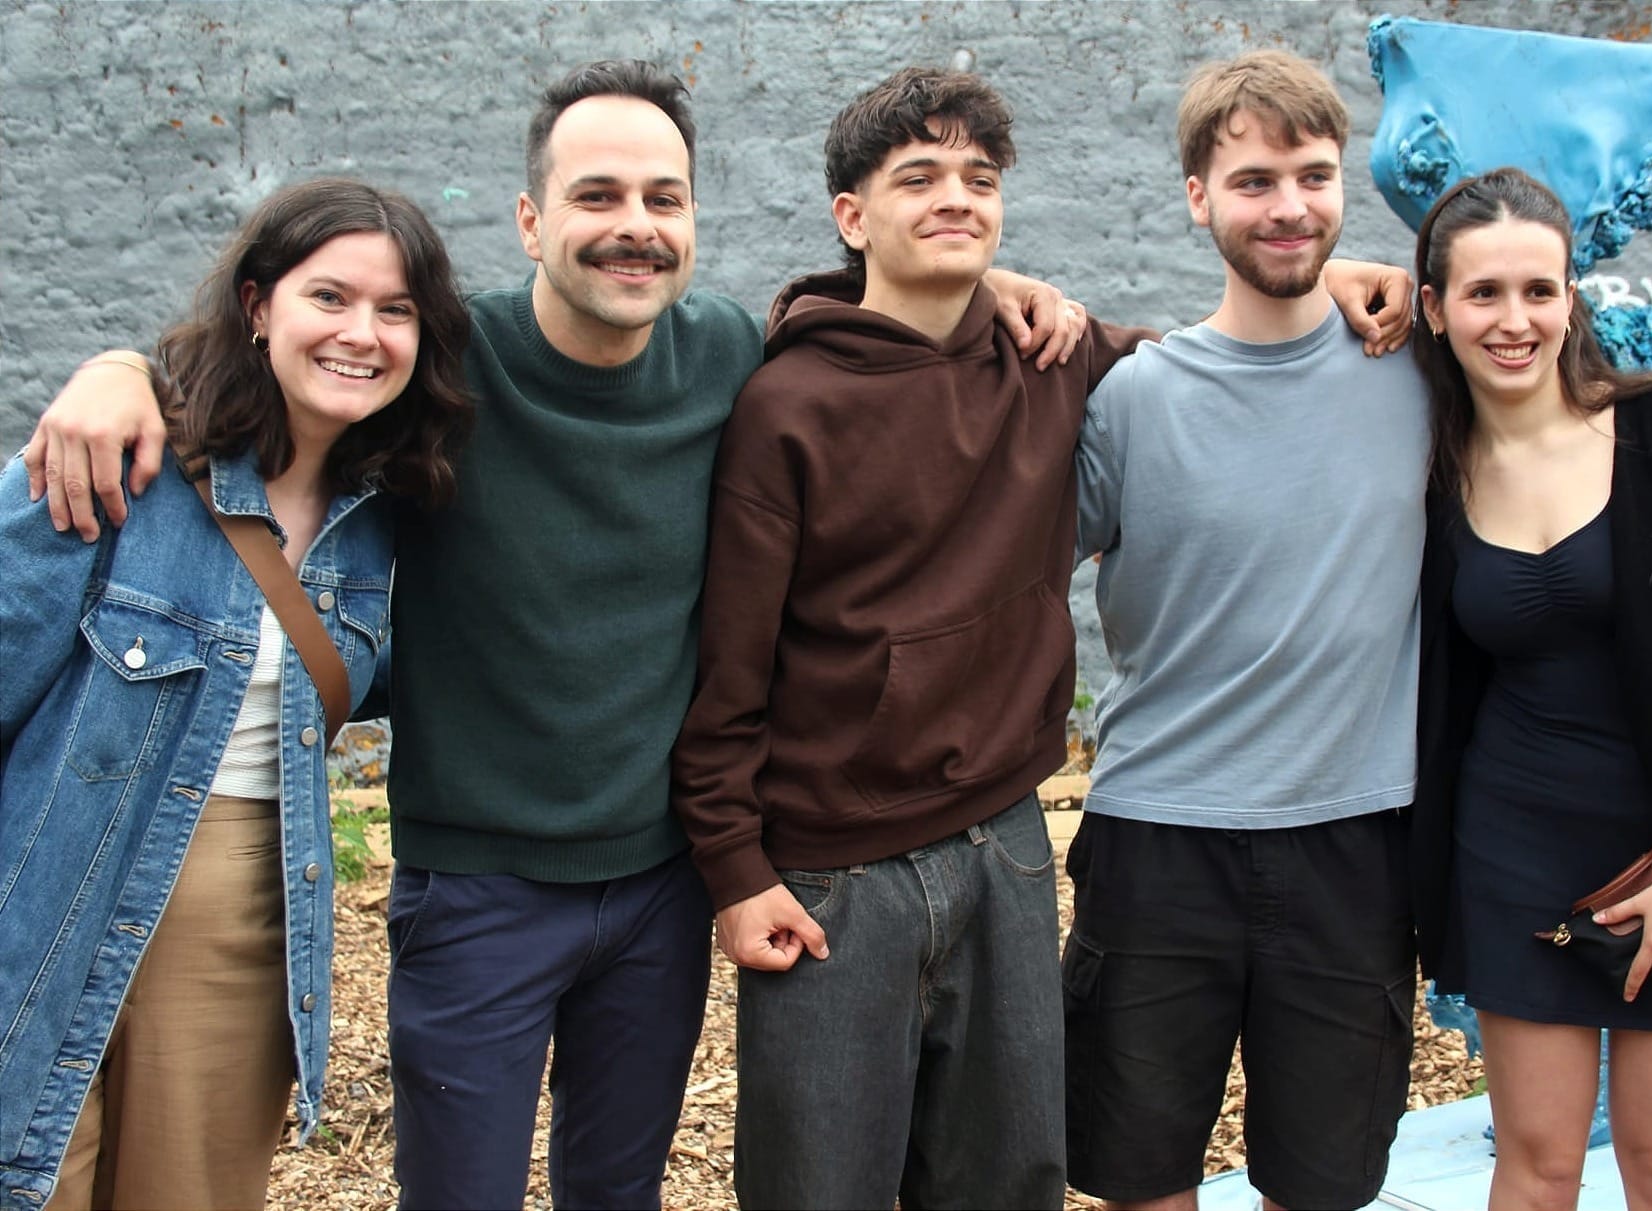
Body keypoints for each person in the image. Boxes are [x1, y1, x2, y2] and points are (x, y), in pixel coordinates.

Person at [13, 60, 1093, 1210]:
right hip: (476, 881)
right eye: (595, 196)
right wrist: (128, 369)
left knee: (614, 1191)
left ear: (691, 222)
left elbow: (880, 320)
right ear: (531, 221)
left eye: (662, 199)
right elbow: (294, 376)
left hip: (659, 885)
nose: (632, 227)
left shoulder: (734, 358)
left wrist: (996, 278)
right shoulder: (440, 372)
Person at [670, 67, 1147, 1210]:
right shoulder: (787, 406)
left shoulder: (1050, 357)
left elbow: (1225, 362)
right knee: (818, 1185)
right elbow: (727, 665)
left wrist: (1336, 280)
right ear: (851, 215)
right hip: (834, 872)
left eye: (978, 180)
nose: (955, 199)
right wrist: (735, 867)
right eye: (917, 177)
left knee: (1006, 1177)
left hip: (1007, 840)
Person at [0, 177, 471, 1210]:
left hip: (243, 913)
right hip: (45, 883)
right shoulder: (118, 460)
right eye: (330, 297)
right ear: (259, 305)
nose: (363, 333)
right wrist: (120, 366)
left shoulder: (392, 516)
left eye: (397, 311)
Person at [1063, 50, 1429, 1211]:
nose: (1287, 206)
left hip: (1352, 840)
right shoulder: (1129, 397)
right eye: (1253, 179)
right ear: (1194, 196)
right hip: (1155, 834)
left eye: (1313, 176)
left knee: (1321, 1184)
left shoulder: (1418, 369)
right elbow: (989, 568)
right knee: (1136, 1176)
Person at [1409, 166, 1652, 1211]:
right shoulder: (1435, 463)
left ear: (1571, 297)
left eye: (1539, 289)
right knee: (1533, 1170)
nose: (1514, 318)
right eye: (1482, 293)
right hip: (1512, 852)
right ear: (1434, 309)